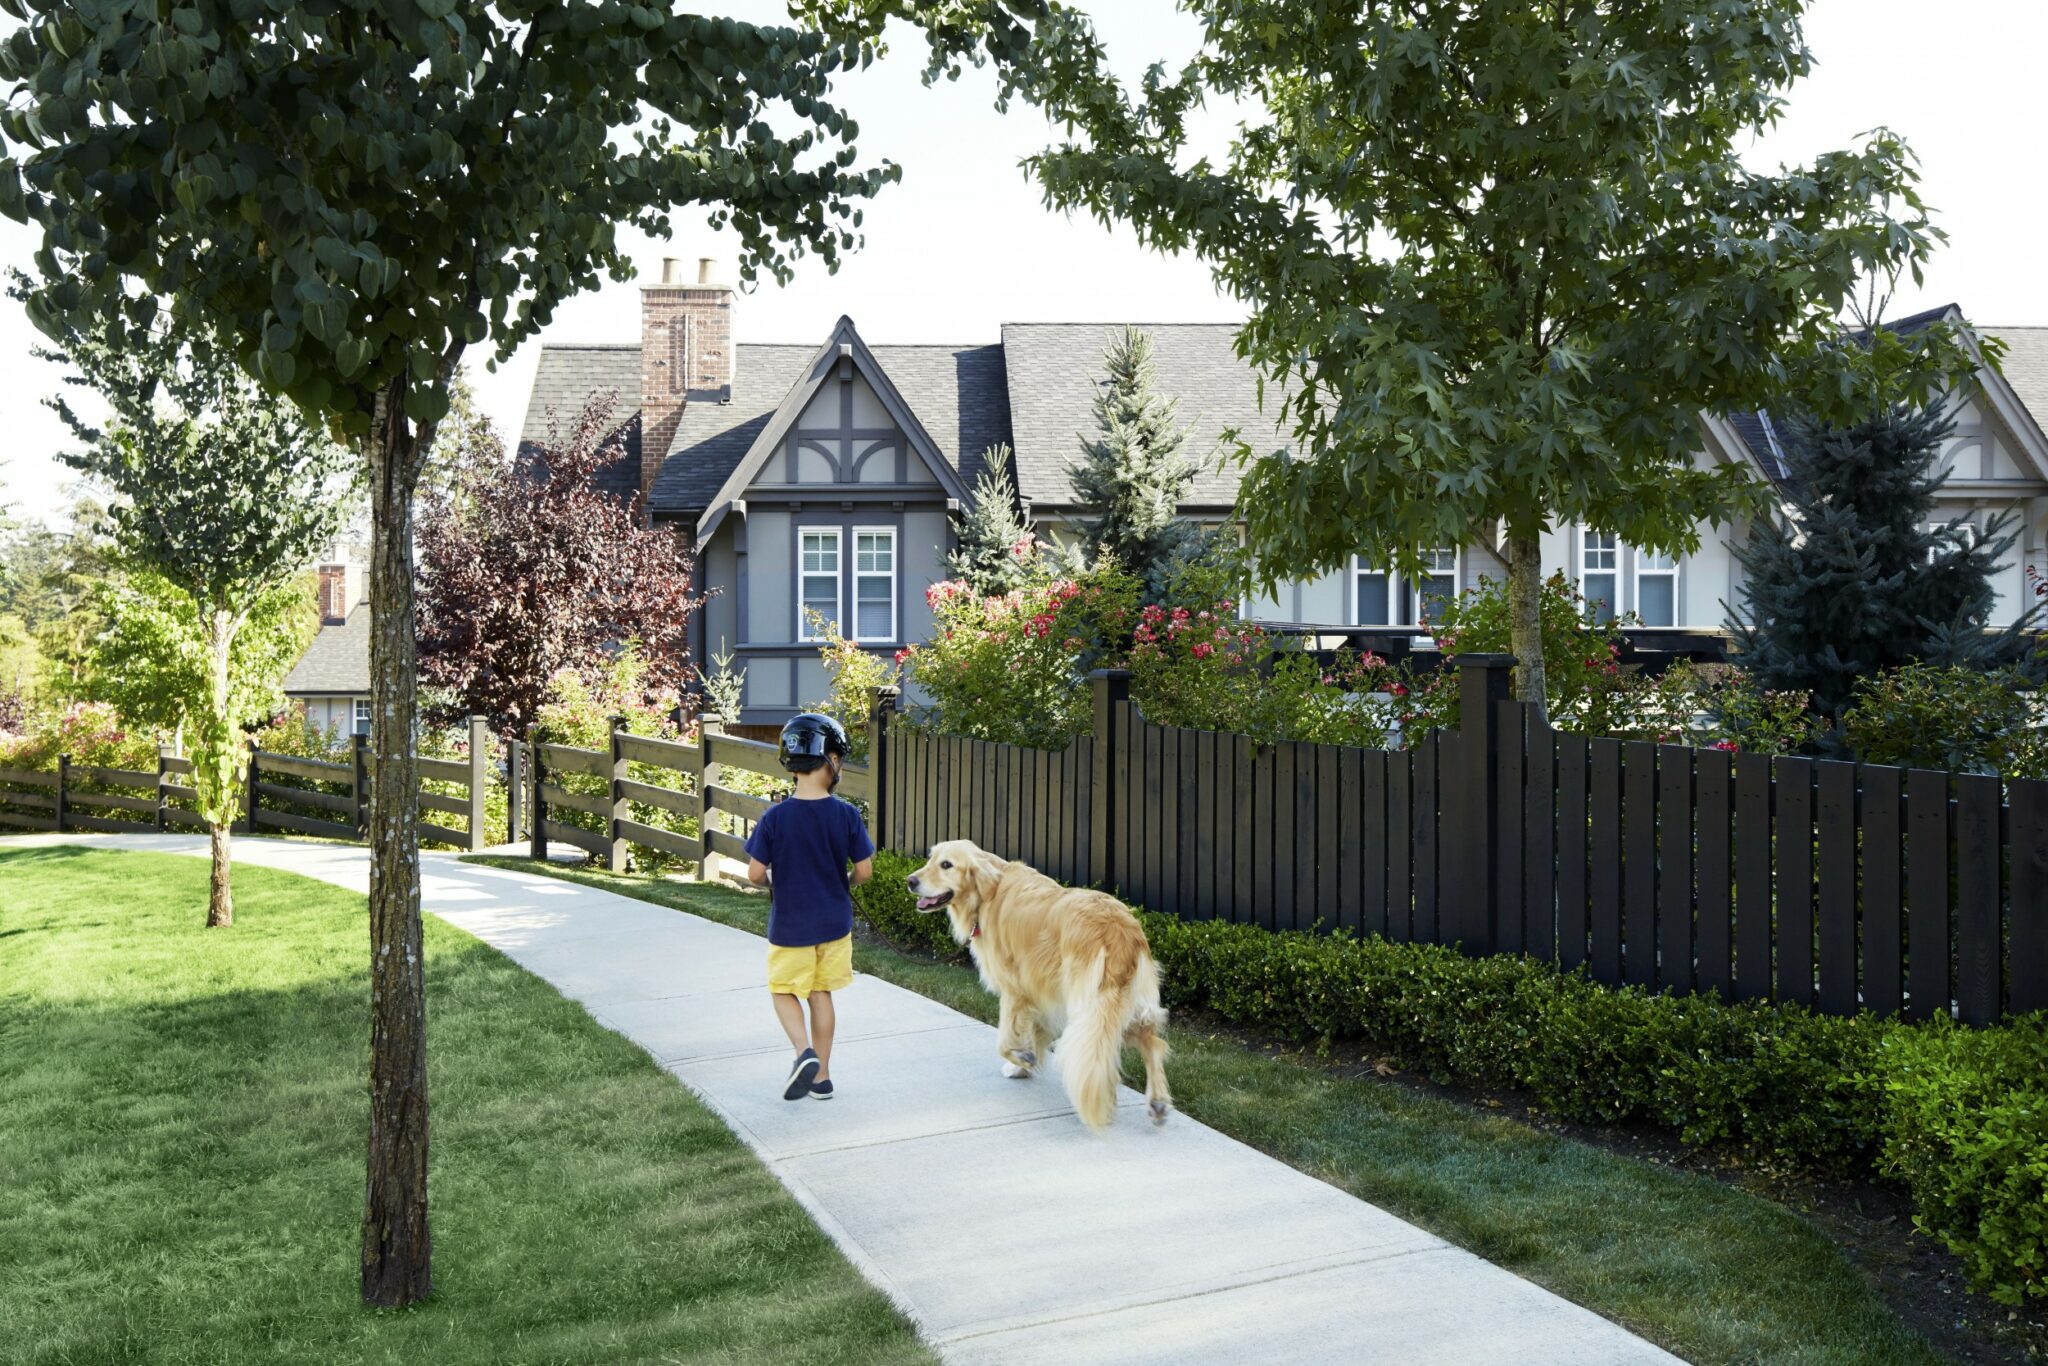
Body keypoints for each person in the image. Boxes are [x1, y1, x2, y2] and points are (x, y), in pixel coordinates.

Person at [746, 712, 874, 1101]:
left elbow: (754, 874)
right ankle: (823, 1078)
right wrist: (844, 882)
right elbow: (865, 872)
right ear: (829, 759)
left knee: (783, 990)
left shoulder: (776, 817)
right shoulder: (846, 814)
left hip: (791, 925)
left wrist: (774, 884)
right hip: (834, 925)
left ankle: (804, 1053)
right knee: (821, 994)